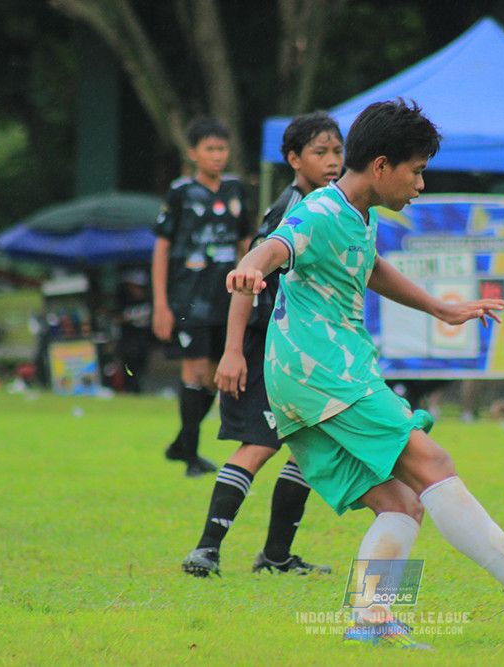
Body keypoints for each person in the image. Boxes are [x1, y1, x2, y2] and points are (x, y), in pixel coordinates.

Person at [226, 99, 504, 648]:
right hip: (324, 374)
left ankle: (372, 621)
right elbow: (273, 248)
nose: (421, 184)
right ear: (382, 166)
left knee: (401, 503)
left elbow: (370, 267)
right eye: (416, 171)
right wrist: (248, 269)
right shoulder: (317, 212)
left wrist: (442, 308)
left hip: (308, 379)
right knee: (431, 462)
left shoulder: (356, 214)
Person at [181, 111, 343, 577]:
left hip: (302, 347)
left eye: (337, 152)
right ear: (293, 159)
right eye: (320, 153)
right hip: (264, 347)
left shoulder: (329, 205)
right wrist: (233, 351)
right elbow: (246, 280)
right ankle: (206, 549)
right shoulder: (290, 210)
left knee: (308, 446)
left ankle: (275, 557)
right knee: (259, 444)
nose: (332, 161)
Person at [152, 117, 252, 477]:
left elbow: (246, 243)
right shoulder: (180, 193)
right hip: (187, 299)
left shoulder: (236, 190)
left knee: (213, 379)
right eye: (209, 149)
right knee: (193, 370)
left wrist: (254, 284)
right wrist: (160, 304)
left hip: (226, 299)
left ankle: (182, 441)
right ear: (193, 154)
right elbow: (161, 249)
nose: (216, 156)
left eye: (222, 148)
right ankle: (192, 458)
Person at [115, 268, 155, 393]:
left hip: (144, 340)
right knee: (129, 366)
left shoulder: (149, 299)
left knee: (142, 366)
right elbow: (117, 317)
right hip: (129, 340)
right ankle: (130, 389)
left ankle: (139, 389)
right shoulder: (123, 301)